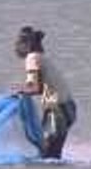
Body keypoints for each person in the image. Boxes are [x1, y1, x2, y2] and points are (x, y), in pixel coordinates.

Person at [14, 26, 76, 159]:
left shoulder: (32, 58)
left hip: (56, 111)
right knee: (54, 156)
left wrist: (19, 92)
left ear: (27, 44)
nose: (17, 47)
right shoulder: (41, 57)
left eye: (19, 43)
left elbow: (35, 88)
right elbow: (41, 87)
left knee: (47, 154)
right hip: (68, 108)